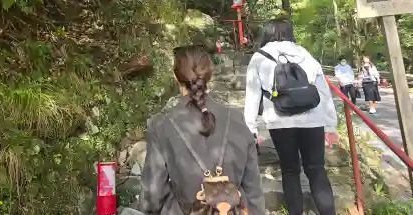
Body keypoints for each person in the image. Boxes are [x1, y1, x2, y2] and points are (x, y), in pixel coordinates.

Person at [139, 45, 265, 215]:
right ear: (209, 75)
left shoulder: (161, 124)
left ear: (176, 77)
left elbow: (152, 197)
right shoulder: (236, 118)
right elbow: (254, 190)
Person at [244, 19, 338, 215]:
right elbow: (323, 91)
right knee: (316, 169)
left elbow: (253, 95)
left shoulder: (259, 58)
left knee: (290, 170)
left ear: (267, 33)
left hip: (279, 121)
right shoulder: (305, 54)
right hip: (313, 119)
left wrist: (251, 128)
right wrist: (330, 126)